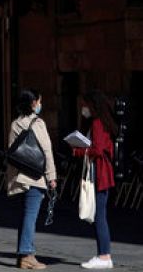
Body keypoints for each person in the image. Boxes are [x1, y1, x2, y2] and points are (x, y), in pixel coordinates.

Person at [7, 89, 57, 270]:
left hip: (20, 177)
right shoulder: (38, 123)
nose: (40, 105)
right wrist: (51, 176)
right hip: (35, 177)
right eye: (39, 101)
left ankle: (23, 255)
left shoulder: (15, 124)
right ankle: (27, 254)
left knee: (24, 216)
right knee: (30, 216)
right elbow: (46, 150)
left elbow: (12, 153)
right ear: (33, 103)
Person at [70, 90, 115, 269]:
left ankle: (104, 256)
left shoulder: (97, 123)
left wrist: (78, 150)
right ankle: (104, 254)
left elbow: (97, 149)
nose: (83, 108)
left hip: (100, 173)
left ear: (92, 105)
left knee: (99, 215)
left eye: (85, 104)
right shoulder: (99, 122)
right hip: (101, 172)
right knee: (99, 214)